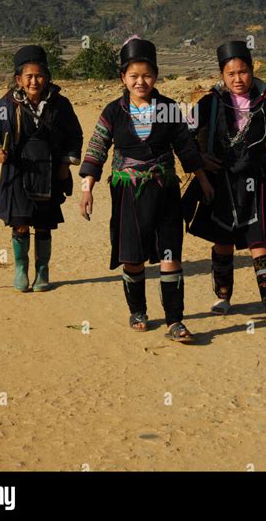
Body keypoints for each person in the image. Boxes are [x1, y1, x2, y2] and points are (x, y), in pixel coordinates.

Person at [79, 36, 214, 342]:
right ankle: (138, 310)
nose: (141, 82)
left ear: (156, 76)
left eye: (147, 76)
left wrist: (203, 180)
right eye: (134, 76)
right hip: (127, 193)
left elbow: (186, 149)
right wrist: (87, 188)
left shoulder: (168, 109)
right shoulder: (114, 112)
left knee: (170, 253)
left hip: (165, 189)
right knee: (132, 255)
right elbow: (97, 148)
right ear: (123, 78)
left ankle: (175, 321)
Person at [182, 40, 266, 331]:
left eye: (243, 72)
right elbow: (185, 136)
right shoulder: (209, 104)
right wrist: (201, 160)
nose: (237, 79)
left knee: (260, 241)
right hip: (221, 184)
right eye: (230, 73)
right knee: (223, 242)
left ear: (251, 70)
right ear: (222, 75)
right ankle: (223, 296)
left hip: (255, 183)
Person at [0, 45, 83, 292]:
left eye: (39, 76)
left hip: (49, 173)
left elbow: (74, 136)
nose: (34, 81)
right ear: (19, 79)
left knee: (44, 224)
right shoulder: (3, 106)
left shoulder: (60, 105)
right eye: (29, 76)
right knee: (21, 223)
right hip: (16, 173)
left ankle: (43, 271)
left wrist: (66, 163)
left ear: (46, 77)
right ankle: (20, 269)